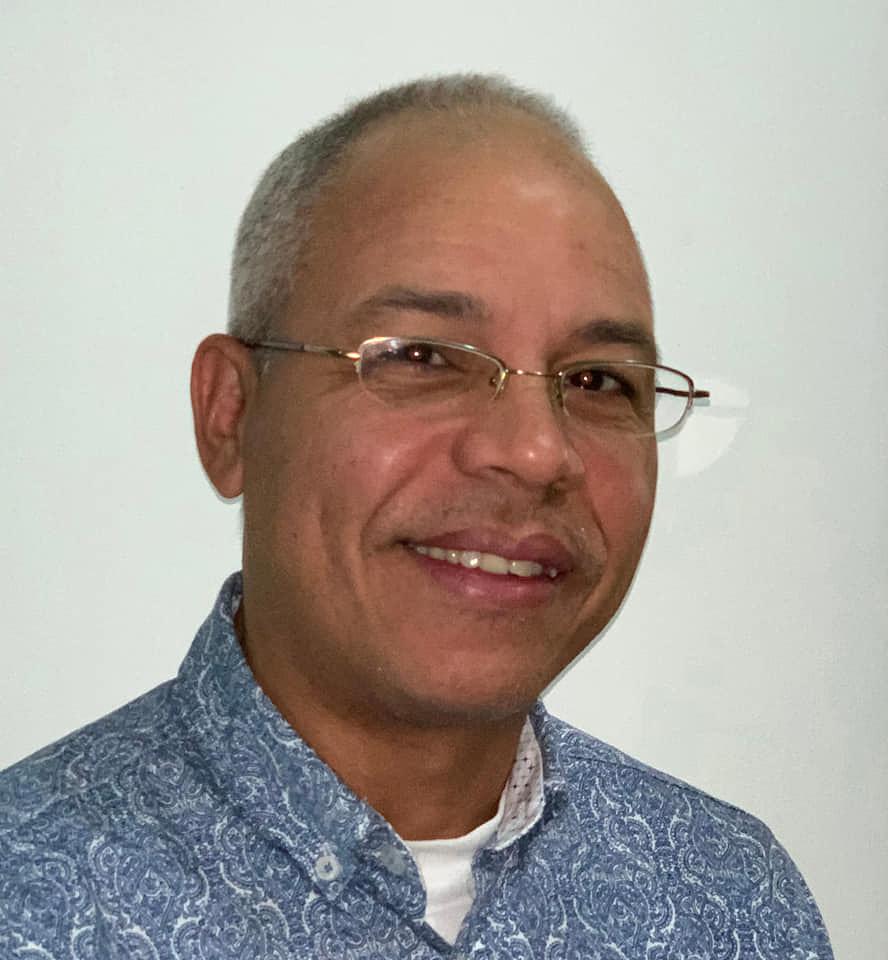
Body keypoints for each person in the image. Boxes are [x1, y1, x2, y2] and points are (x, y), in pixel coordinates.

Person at [0, 74, 833, 959]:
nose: (536, 451)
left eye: (597, 381)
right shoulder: (31, 901)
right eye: (424, 357)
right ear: (231, 414)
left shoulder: (729, 898)